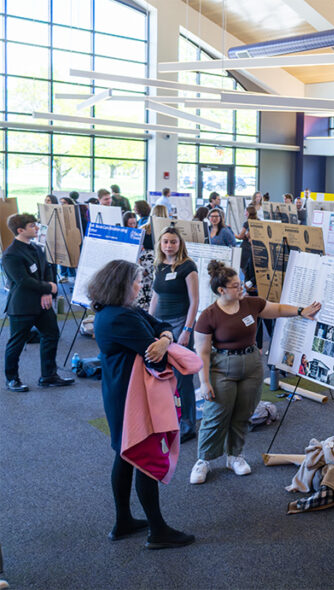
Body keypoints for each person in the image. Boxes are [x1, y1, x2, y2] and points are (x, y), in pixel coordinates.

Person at [90, 259, 195, 550]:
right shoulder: (120, 317)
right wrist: (164, 343)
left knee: (124, 454)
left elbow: (160, 326)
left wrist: (164, 338)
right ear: (122, 285)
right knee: (144, 456)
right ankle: (157, 531)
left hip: (120, 393)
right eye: (136, 281)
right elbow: (156, 356)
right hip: (131, 398)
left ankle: (123, 521)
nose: (140, 286)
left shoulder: (119, 311)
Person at [189, 262, 321, 484]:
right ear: (221, 290)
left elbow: (277, 309)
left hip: (251, 365)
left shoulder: (251, 303)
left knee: (243, 413)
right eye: (235, 286)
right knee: (216, 414)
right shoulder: (209, 316)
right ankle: (204, 460)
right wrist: (204, 382)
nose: (241, 288)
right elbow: (202, 352)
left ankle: (235, 456)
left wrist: (301, 311)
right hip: (222, 368)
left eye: (240, 283)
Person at [2, 214, 73, 392]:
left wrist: (47, 291)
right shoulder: (10, 254)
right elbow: (23, 281)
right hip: (22, 305)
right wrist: (48, 288)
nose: (36, 228)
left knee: (51, 335)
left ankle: (48, 376)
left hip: (42, 303)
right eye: (32, 226)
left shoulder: (36, 247)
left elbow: (47, 268)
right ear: (20, 230)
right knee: (17, 342)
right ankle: (12, 379)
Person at [149, 228, 200, 441]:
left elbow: (194, 301)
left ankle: (188, 424)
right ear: (160, 244)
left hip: (180, 324)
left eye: (173, 242)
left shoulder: (188, 266)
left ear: (180, 244)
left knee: (182, 378)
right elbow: (155, 296)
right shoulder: (159, 265)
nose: (169, 245)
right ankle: (169, 419)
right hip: (161, 325)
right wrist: (149, 323)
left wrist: (187, 330)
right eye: (165, 242)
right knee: (162, 374)